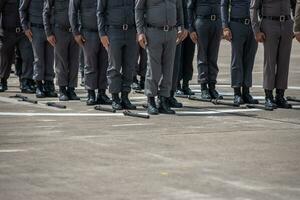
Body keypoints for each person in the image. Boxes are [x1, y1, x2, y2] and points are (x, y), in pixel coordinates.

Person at [135, 0, 184, 115]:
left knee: (169, 68)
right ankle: (151, 100)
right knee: (153, 67)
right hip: (153, 31)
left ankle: (163, 99)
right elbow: (138, 9)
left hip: (171, 32)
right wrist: (140, 32)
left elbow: (179, 8)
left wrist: (181, 26)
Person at [250, 0, 296, 110]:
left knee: (284, 62)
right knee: (270, 62)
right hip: (269, 24)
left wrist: (296, 26)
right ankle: (268, 96)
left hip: (287, 24)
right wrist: (256, 30)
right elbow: (253, 8)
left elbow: (295, 5)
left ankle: (280, 95)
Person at [97, 0, 138, 110]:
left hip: (131, 31)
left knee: (129, 67)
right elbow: (100, 12)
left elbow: (139, 10)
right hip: (113, 31)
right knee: (114, 67)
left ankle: (125, 97)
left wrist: (139, 30)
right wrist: (102, 34)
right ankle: (115, 98)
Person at [69, 0, 112, 106]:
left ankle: (102, 93)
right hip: (88, 32)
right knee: (90, 64)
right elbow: (72, 11)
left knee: (104, 64)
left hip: (106, 32)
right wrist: (76, 33)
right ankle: (91, 93)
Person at [221, 0, 259, 105]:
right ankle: (237, 93)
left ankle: (246, 92)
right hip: (236, 25)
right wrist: (225, 26)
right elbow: (224, 4)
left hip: (253, 26)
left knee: (249, 59)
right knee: (236, 60)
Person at [43, 0, 80, 101]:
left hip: (75, 32)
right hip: (59, 31)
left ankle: (71, 89)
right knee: (61, 62)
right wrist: (48, 33)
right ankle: (62, 89)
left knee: (74, 62)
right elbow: (46, 13)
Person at [20, 0, 57, 98]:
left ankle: (49, 85)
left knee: (50, 59)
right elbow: (22, 9)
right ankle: (39, 85)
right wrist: (25, 28)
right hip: (36, 30)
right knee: (38, 59)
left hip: (50, 30)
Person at [187, 0, 223, 100]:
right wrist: (191, 29)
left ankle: (212, 87)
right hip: (202, 23)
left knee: (213, 57)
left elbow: (223, 6)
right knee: (202, 57)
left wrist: (223, 26)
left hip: (216, 22)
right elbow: (189, 8)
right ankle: (204, 88)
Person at [0, 0, 34, 93]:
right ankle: (3, 81)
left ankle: (25, 82)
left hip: (24, 32)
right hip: (7, 32)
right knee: (6, 58)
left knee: (27, 57)